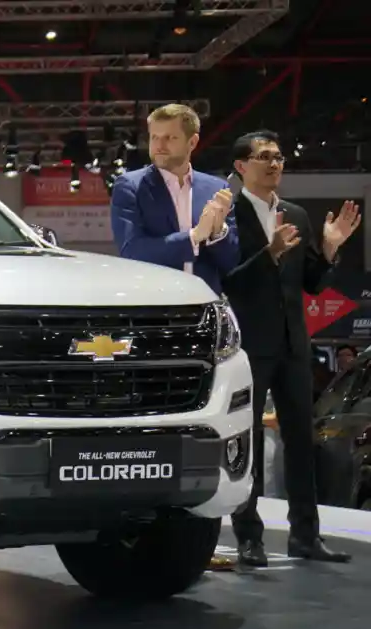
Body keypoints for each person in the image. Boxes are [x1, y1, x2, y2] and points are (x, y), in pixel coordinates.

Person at [223, 129, 361, 566]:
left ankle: (306, 536)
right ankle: (249, 538)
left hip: (295, 346)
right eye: (264, 156)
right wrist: (270, 252)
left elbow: (312, 284)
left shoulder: (297, 215)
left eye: (279, 156)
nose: (275, 163)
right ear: (241, 166)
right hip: (249, 346)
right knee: (249, 444)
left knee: (301, 442)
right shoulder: (228, 216)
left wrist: (331, 248)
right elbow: (230, 283)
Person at [110, 103, 239, 295]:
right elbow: (132, 251)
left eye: (170, 138)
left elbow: (232, 261)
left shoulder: (216, 189)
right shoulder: (130, 186)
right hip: (155, 302)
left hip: (205, 301)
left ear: (192, 142)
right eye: (155, 137)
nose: (159, 146)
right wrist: (194, 236)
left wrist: (218, 233)